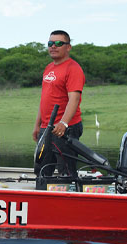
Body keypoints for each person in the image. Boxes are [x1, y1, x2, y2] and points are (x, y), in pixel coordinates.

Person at [32, 30, 85, 178]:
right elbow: (45, 99)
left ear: (68, 47)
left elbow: (74, 99)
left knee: (66, 171)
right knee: (41, 169)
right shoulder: (49, 68)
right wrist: (37, 125)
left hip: (64, 128)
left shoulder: (73, 68)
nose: (53, 46)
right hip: (46, 127)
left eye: (58, 43)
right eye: (50, 43)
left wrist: (64, 123)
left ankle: (70, 198)